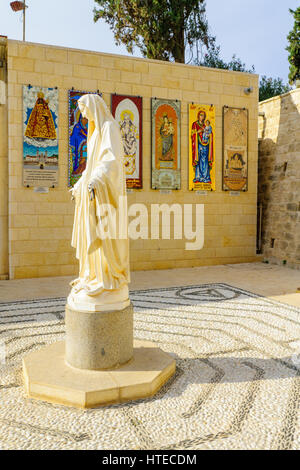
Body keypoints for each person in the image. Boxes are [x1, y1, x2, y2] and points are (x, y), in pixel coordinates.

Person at [69, 94, 130, 311]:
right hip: (92, 195)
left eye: (85, 110)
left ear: (94, 107)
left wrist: (96, 179)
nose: (83, 115)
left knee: (104, 236)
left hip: (105, 196)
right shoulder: (94, 131)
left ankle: (107, 277)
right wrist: (80, 185)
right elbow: (89, 167)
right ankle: (91, 275)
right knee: (91, 236)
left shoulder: (109, 128)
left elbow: (110, 161)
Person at [191, 111, 214, 184]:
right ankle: (198, 177)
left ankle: (206, 177)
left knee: (205, 160)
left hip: (205, 145)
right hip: (198, 145)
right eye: (201, 115)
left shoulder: (205, 126)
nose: (202, 117)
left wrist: (209, 135)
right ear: (198, 116)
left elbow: (210, 133)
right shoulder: (195, 124)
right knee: (199, 160)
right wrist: (198, 132)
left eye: (203, 116)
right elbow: (192, 134)